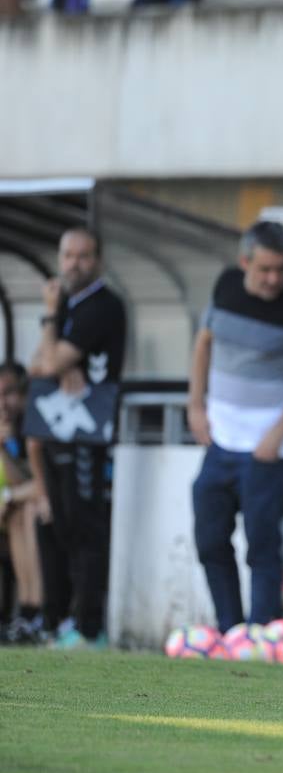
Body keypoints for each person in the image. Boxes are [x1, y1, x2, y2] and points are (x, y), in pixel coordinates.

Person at [189, 221, 283, 632]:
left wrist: (277, 435)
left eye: (281, 269)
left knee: (263, 547)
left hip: (267, 448)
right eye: (265, 269)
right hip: (219, 441)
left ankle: (261, 633)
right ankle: (229, 630)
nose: (274, 278)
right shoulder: (225, 286)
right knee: (210, 539)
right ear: (244, 261)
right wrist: (195, 405)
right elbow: (204, 344)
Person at [27, 227, 126, 648]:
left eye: (83, 256)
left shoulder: (101, 307)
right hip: (56, 431)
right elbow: (38, 365)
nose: (73, 264)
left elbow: (48, 364)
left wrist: (52, 327)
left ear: (98, 260)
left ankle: (89, 627)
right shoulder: (68, 304)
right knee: (60, 527)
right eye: (67, 255)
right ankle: (63, 618)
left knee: (87, 531)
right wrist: (55, 354)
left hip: (88, 433)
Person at [0, 362, 45, 643]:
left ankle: (31, 613)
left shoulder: (31, 430)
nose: (3, 402)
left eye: (9, 393)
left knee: (23, 513)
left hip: (11, 511)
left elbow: (37, 485)